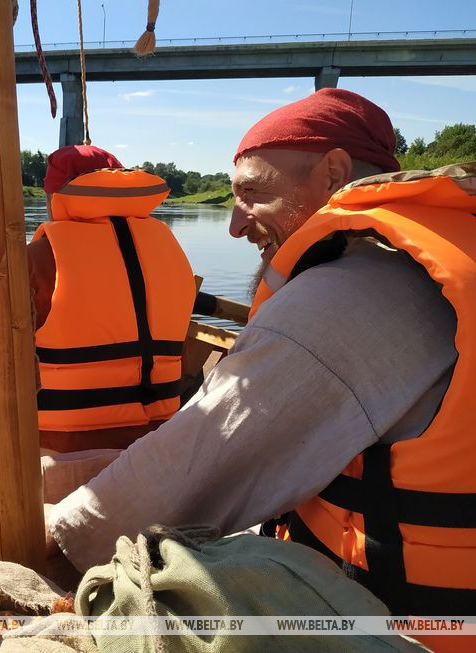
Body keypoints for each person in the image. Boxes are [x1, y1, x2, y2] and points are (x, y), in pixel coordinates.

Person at [46, 90, 475, 651]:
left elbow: (181, 478)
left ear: (335, 173)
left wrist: (51, 545)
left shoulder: (348, 297)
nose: (234, 225)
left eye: (252, 193)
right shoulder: (448, 256)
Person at [28, 145, 196, 451]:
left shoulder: (37, 257)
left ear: (53, 196)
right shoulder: (170, 247)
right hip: (160, 438)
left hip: (62, 443)